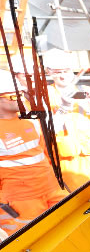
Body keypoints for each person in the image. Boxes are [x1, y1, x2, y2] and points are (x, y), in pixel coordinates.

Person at [0, 70, 68, 236]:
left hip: (52, 188)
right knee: (34, 239)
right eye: (12, 96)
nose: (19, 99)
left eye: (20, 94)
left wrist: (65, 107)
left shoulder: (30, 118)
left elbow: (51, 131)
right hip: (20, 199)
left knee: (68, 226)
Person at [44, 48, 90, 190]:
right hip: (70, 164)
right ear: (48, 71)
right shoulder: (45, 96)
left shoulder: (86, 90)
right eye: (57, 72)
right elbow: (46, 131)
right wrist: (63, 108)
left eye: (66, 70)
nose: (63, 76)